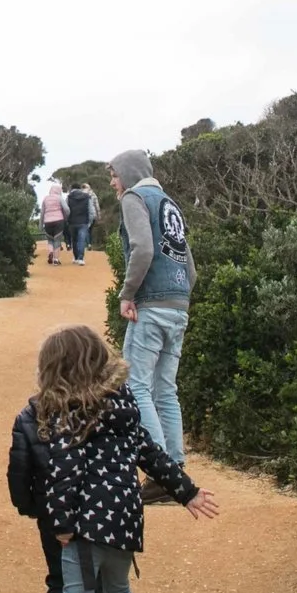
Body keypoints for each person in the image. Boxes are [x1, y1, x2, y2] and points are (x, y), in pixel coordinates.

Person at [29, 324, 218, 593]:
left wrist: (61, 524)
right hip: (125, 518)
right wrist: (186, 491)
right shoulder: (125, 401)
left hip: (84, 526)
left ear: (56, 369)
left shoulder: (68, 409)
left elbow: (63, 473)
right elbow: (150, 452)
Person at [7, 381, 119, 593]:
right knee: (91, 570)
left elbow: (19, 469)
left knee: (59, 575)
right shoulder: (96, 409)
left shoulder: (30, 416)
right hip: (94, 507)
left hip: (52, 512)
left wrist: (28, 506)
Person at [111, 149, 197, 460]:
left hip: (151, 307)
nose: (112, 182)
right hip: (179, 306)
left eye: (115, 174)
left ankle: (161, 469)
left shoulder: (135, 198)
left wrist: (127, 293)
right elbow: (191, 270)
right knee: (166, 391)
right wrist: (178, 299)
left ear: (129, 174)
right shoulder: (169, 204)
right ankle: (175, 467)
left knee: (136, 386)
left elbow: (143, 249)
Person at [63, 180, 96, 264]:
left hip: (72, 222)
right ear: (80, 188)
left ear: (72, 189)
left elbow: (66, 210)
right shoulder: (87, 196)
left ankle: (76, 257)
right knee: (81, 240)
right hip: (83, 221)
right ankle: (81, 258)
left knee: (74, 240)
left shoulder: (69, 197)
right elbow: (92, 211)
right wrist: (89, 222)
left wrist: (66, 220)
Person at [39, 179, 67, 264]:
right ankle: (56, 260)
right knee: (57, 240)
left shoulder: (45, 199)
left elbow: (42, 212)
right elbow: (66, 209)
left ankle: (51, 252)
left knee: (50, 239)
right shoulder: (59, 198)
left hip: (47, 222)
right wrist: (65, 217)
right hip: (59, 221)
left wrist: (40, 224)